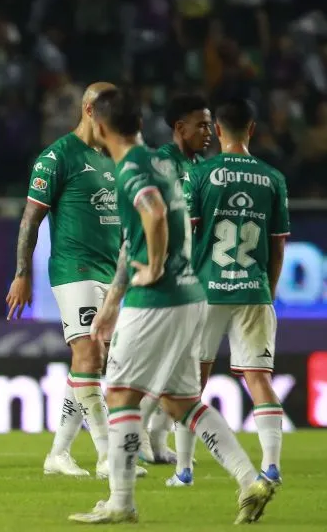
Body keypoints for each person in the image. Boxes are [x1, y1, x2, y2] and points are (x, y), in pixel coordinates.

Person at [69, 89, 276, 525]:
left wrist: (153, 267)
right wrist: (110, 304)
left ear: (102, 128)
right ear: (139, 125)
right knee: (181, 401)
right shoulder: (161, 163)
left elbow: (154, 213)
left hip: (157, 300)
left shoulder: (130, 169)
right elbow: (135, 238)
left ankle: (122, 502)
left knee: (121, 393)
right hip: (190, 295)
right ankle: (249, 479)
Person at [6, 82, 148, 480]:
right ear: (88, 110)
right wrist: (22, 274)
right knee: (90, 355)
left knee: (89, 362)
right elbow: (30, 221)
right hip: (74, 269)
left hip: (111, 272)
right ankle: (108, 456)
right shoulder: (57, 157)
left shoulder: (113, 157)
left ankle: (58, 453)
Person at [166, 98, 289, 488]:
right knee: (259, 380)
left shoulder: (202, 174)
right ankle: (271, 466)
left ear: (217, 130)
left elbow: (185, 237)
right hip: (253, 290)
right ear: (252, 129)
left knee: (191, 384)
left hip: (206, 291)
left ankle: (184, 471)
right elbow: (278, 245)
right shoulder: (273, 178)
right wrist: (266, 291)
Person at [139, 94, 213, 465]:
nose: (209, 132)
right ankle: (134, 437)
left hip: (190, 280)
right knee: (159, 361)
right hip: (163, 281)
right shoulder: (162, 163)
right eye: (201, 124)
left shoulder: (200, 167)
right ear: (179, 128)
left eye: (211, 124)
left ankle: (154, 438)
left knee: (179, 362)